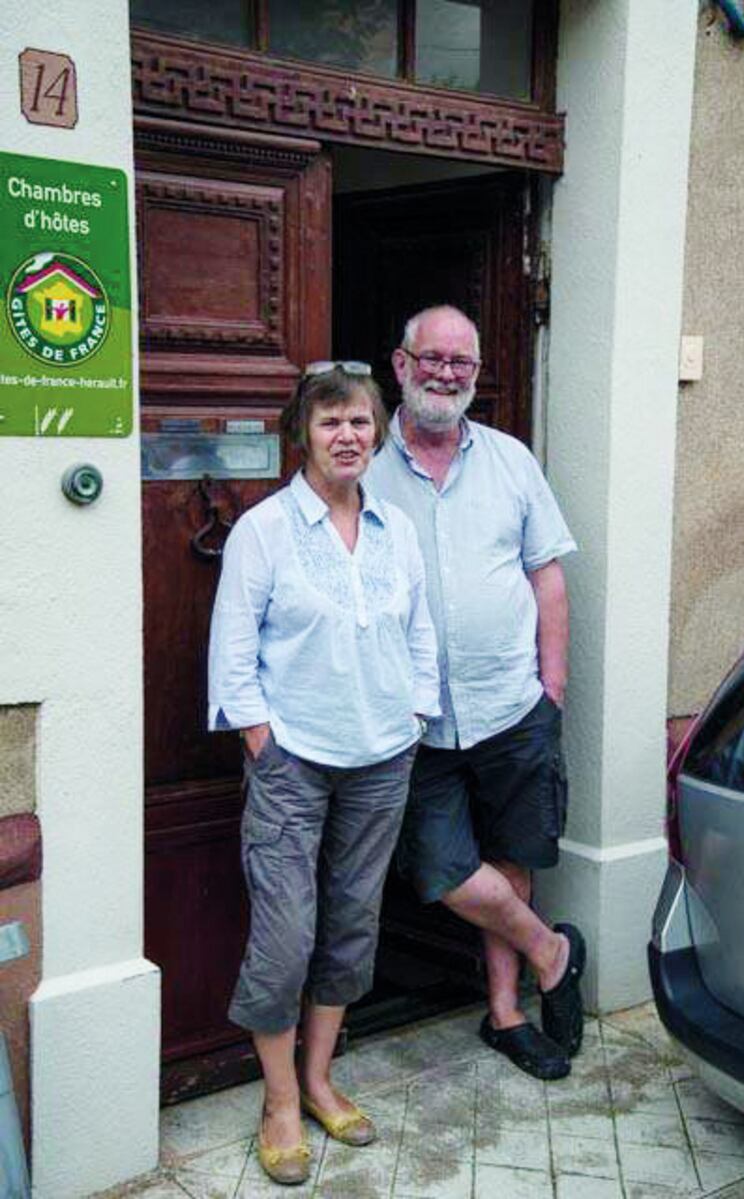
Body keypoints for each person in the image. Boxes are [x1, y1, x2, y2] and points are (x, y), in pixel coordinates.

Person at [208, 362, 439, 1185]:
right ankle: (277, 1100)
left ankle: (318, 1077)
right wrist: (264, 742)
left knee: (351, 923)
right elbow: (233, 656)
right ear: (301, 433)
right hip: (294, 763)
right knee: (284, 936)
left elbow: (420, 634)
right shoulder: (265, 531)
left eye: (362, 422)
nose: (348, 436)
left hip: (382, 757)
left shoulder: (396, 528)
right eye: (332, 421)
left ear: (379, 433)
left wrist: (414, 715)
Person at [367, 306, 586, 1082]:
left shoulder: (510, 460)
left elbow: (546, 575)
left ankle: (506, 1013)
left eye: (463, 361)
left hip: (510, 702)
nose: (448, 373)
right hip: (411, 719)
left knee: (512, 856)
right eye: (433, 358)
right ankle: (551, 951)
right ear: (400, 363)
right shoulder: (363, 465)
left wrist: (550, 686)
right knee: (437, 866)